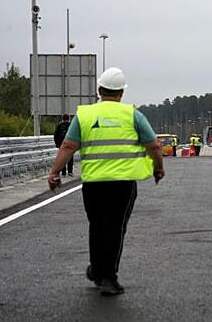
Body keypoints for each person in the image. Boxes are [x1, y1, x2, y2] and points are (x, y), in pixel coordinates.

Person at [47, 67, 165, 296]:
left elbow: (68, 146)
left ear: (100, 90)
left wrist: (54, 172)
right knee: (115, 227)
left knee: (97, 226)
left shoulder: (85, 115)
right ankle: (108, 277)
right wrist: (158, 168)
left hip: (93, 183)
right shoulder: (133, 115)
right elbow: (154, 146)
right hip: (122, 184)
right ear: (121, 93)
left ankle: (98, 270)